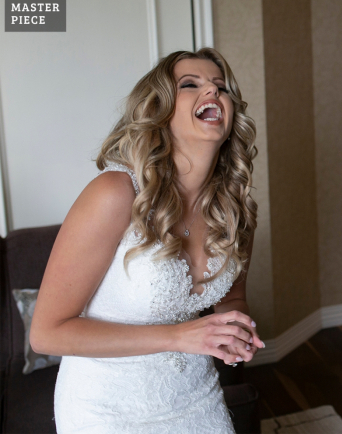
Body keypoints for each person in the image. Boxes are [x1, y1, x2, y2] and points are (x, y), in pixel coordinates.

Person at [30, 48, 264, 433]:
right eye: (191, 84)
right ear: (160, 110)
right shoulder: (116, 193)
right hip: (107, 408)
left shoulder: (235, 210)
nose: (213, 93)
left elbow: (232, 298)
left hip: (196, 398)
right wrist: (179, 335)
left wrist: (234, 330)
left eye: (221, 87)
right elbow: (46, 333)